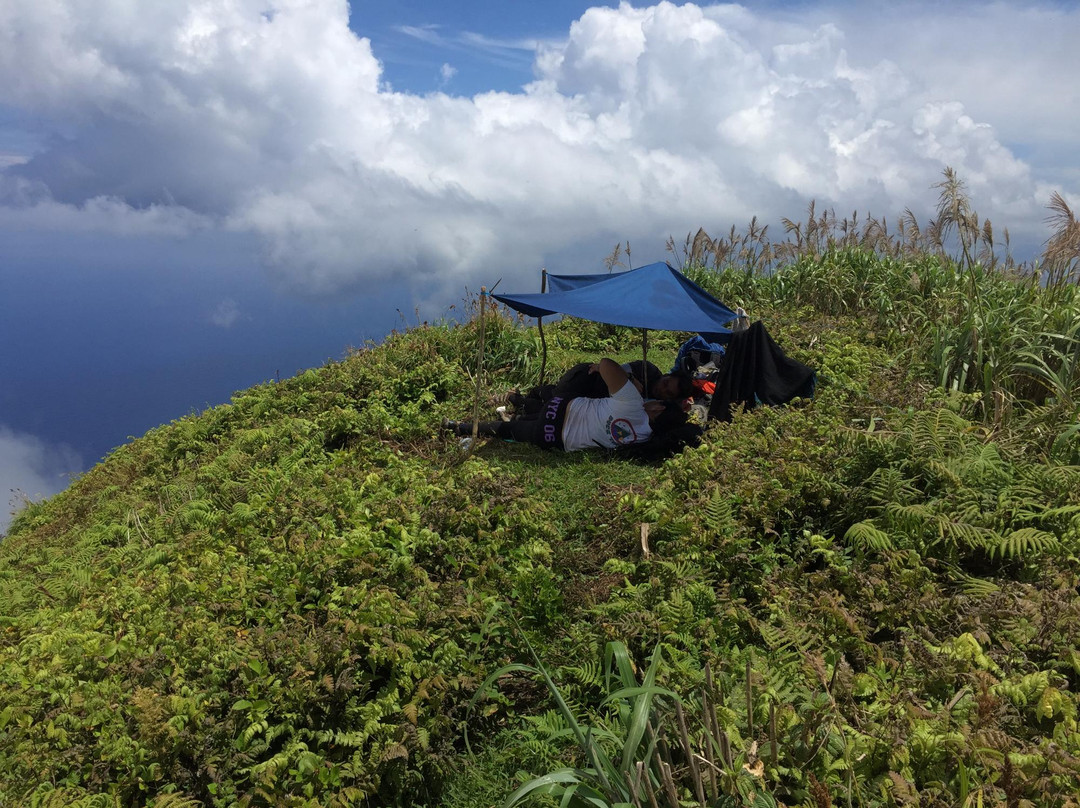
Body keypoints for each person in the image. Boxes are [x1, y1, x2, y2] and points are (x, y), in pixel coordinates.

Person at [445, 358, 663, 451]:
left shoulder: (634, 404)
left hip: (562, 406)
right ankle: (457, 427)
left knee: (540, 403)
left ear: (659, 408)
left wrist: (628, 380)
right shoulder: (644, 440)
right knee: (512, 428)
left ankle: (513, 400)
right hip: (553, 438)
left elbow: (606, 364)